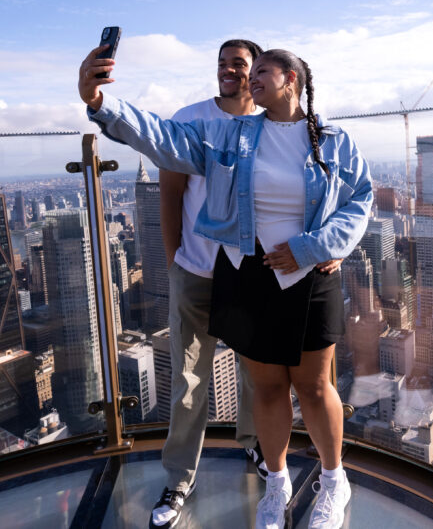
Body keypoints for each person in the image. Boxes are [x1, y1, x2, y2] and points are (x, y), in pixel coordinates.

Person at [79, 46, 372, 529]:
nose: (251, 79)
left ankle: (332, 482)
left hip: (310, 274)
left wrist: (316, 246)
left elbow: (359, 199)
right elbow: (166, 139)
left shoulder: (334, 140)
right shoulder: (233, 136)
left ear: (292, 80)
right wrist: (100, 103)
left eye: (263, 71)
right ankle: (275, 489)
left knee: (316, 388)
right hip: (248, 273)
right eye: (249, 72)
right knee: (269, 388)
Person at [149, 39, 267, 529]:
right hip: (196, 269)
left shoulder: (272, 122)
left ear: (255, 71)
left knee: (256, 372)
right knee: (189, 379)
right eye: (222, 64)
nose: (228, 72)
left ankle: (257, 445)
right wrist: (175, 257)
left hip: (250, 273)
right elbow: (171, 191)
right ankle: (180, 477)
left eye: (237, 64)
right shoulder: (190, 118)